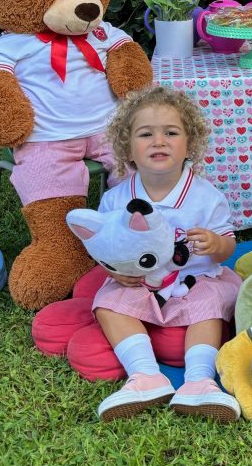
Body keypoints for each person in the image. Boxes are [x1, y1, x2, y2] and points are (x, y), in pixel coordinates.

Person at [90, 85, 241, 422]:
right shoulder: (116, 200)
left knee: (212, 304)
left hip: (196, 279)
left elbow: (228, 246)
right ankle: (145, 376)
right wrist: (114, 272)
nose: (159, 141)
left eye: (171, 133)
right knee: (107, 301)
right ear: (127, 148)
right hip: (142, 284)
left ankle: (199, 381)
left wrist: (216, 244)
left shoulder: (205, 196)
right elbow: (103, 247)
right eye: (146, 134)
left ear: (190, 144)